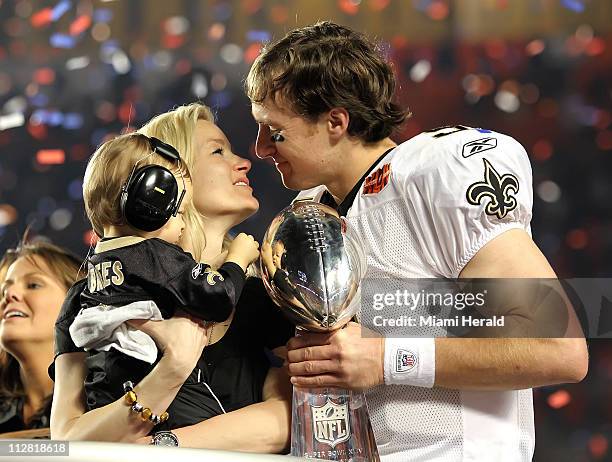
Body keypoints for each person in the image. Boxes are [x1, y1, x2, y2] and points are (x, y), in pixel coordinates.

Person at [245, 21, 589, 461]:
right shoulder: (310, 213)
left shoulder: (432, 173)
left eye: (274, 132)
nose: (260, 149)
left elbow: (558, 348)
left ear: (335, 121)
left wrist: (386, 359)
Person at [50, 103, 294, 451]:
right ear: (164, 180)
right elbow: (67, 439)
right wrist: (172, 369)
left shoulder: (259, 293)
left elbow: (291, 416)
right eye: (217, 151)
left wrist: (160, 448)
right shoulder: (90, 298)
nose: (244, 161)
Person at [65, 131, 260, 430]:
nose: (182, 223)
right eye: (178, 212)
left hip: (105, 400)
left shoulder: (93, 272)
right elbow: (216, 297)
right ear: (148, 204)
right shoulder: (155, 256)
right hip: (163, 402)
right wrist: (238, 260)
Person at [0, 241, 80, 434]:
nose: (9, 295)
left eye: (33, 285)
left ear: (77, 303)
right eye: (4, 290)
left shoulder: (106, 403)